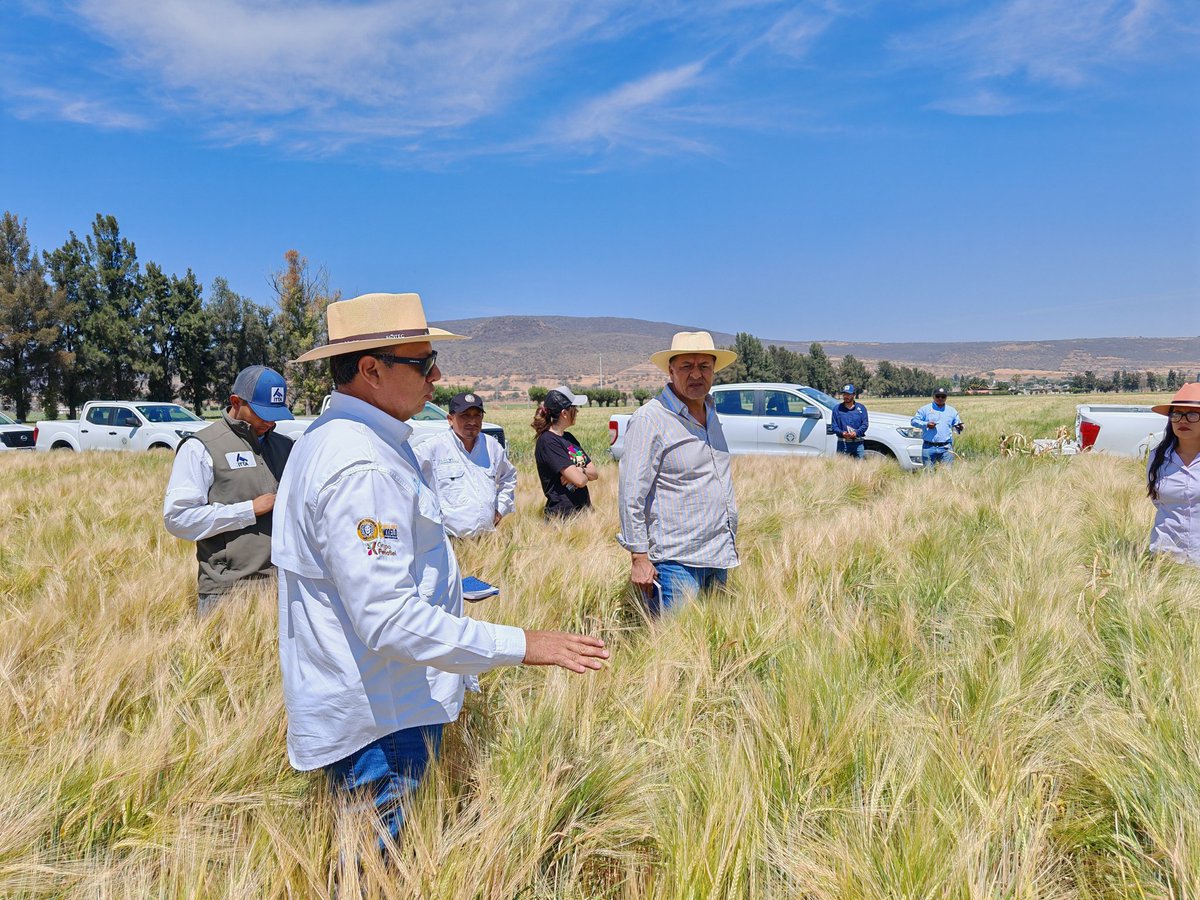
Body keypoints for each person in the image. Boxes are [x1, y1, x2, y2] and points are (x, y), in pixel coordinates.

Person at [271, 292, 607, 841]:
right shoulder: (362, 464)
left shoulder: (340, 440)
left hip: (373, 713)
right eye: (422, 363)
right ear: (371, 370)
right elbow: (386, 619)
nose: (437, 374)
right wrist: (523, 645)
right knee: (379, 876)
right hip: (384, 724)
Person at [617, 331, 739, 616]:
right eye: (687, 366)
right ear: (671, 371)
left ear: (714, 371)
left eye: (704, 366)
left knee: (712, 646)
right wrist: (638, 557)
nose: (696, 374)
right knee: (675, 653)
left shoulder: (711, 412)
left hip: (719, 555)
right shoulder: (651, 419)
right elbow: (631, 493)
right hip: (676, 563)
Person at [163, 365, 295, 614]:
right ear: (236, 401)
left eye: (275, 413)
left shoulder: (286, 447)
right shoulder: (201, 447)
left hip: (284, 587)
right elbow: (178, 519)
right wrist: (249, 510)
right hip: (228, 591)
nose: (270, 421)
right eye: (261, 412)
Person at [414, 392, 517, 538]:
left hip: (486, 542)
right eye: (465, 415)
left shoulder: (491, 446)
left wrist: (500, 508)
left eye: (477, 415)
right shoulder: (432, 448)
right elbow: (407, 479)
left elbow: (509, 476)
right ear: (450, 419)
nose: (472, 421)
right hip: (448, 542)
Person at [1146, 383, 1200, 567]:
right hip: (1165, 559)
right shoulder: (1158, 457)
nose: (1182, 420)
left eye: (1192, 414)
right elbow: (1158, 501)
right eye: (1176, 414)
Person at [533, 385, 597, 518]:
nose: (577, 412)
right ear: (564, 413)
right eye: (574, 408)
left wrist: (580, 470)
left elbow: (594, 473)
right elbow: (580, 481)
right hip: (562, 517)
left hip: (583, 513)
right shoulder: (548, 442)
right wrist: (581, 473)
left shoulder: (569, 438)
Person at [911, 388, 964, 468]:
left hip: (946, 448)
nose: (940, 398)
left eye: (943, 397)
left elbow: (957, 424)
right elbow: (914, 421)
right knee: (928, 473)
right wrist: (926, 424)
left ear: (946, 397)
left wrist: (960, 427)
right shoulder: (924, 409)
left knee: (947, 474)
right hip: (928, 447)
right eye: (938, 396)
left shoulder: (952, 411)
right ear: (933, 396)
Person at [830, 383, 869, 458]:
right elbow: (834, 426)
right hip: (843, 443)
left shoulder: (861, 408)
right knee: (842, 467)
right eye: (844, 394)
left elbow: (865, 424)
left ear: (854, 395)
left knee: (859, 467)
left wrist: (856, 433)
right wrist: (842, 433)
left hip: (858, 444)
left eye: (848, 394)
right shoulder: (837, 409)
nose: (845, 396)